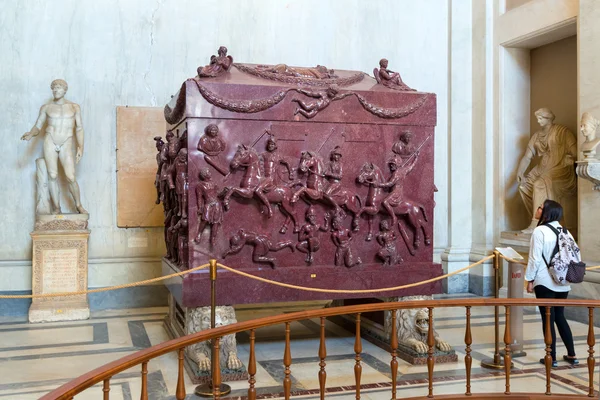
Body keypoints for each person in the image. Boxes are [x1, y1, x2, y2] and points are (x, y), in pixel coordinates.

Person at [525, 199, 578, 368]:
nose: (538, 209)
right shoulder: (565, 231)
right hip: (563, 281)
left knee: (547, 319)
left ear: (546, 212)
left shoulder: (539, 231)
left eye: (540, 208)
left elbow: (534, 258)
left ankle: (551, 357)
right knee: (560, 317)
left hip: (544, 280)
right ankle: (572, 354)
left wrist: (529, 279)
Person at [21, 79, 87, 214]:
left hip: (66, 141)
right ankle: (57, 208)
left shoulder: (74, 107)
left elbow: (79, 128)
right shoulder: (46, 107)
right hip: (50, 139)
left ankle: (79, 206)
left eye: (59, 88)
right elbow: (38, 126)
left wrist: (81, 146)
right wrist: (31, 134)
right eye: (54, 88)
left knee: (70, 176)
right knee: (52, 175)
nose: (56, 90)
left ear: (65, 90)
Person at [516, 108, 577, 232]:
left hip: (560, 168)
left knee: (539, 184)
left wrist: (570, 159)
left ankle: (536, 223)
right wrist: (520, 172)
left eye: (540, 118)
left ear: (548, 118)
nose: (538, 122)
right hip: (542, 168)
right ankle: (541, 218)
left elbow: (575, 152)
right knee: (524, 185)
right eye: (537, 119)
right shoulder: (536, 136)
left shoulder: (562, 132)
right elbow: (527, 157)